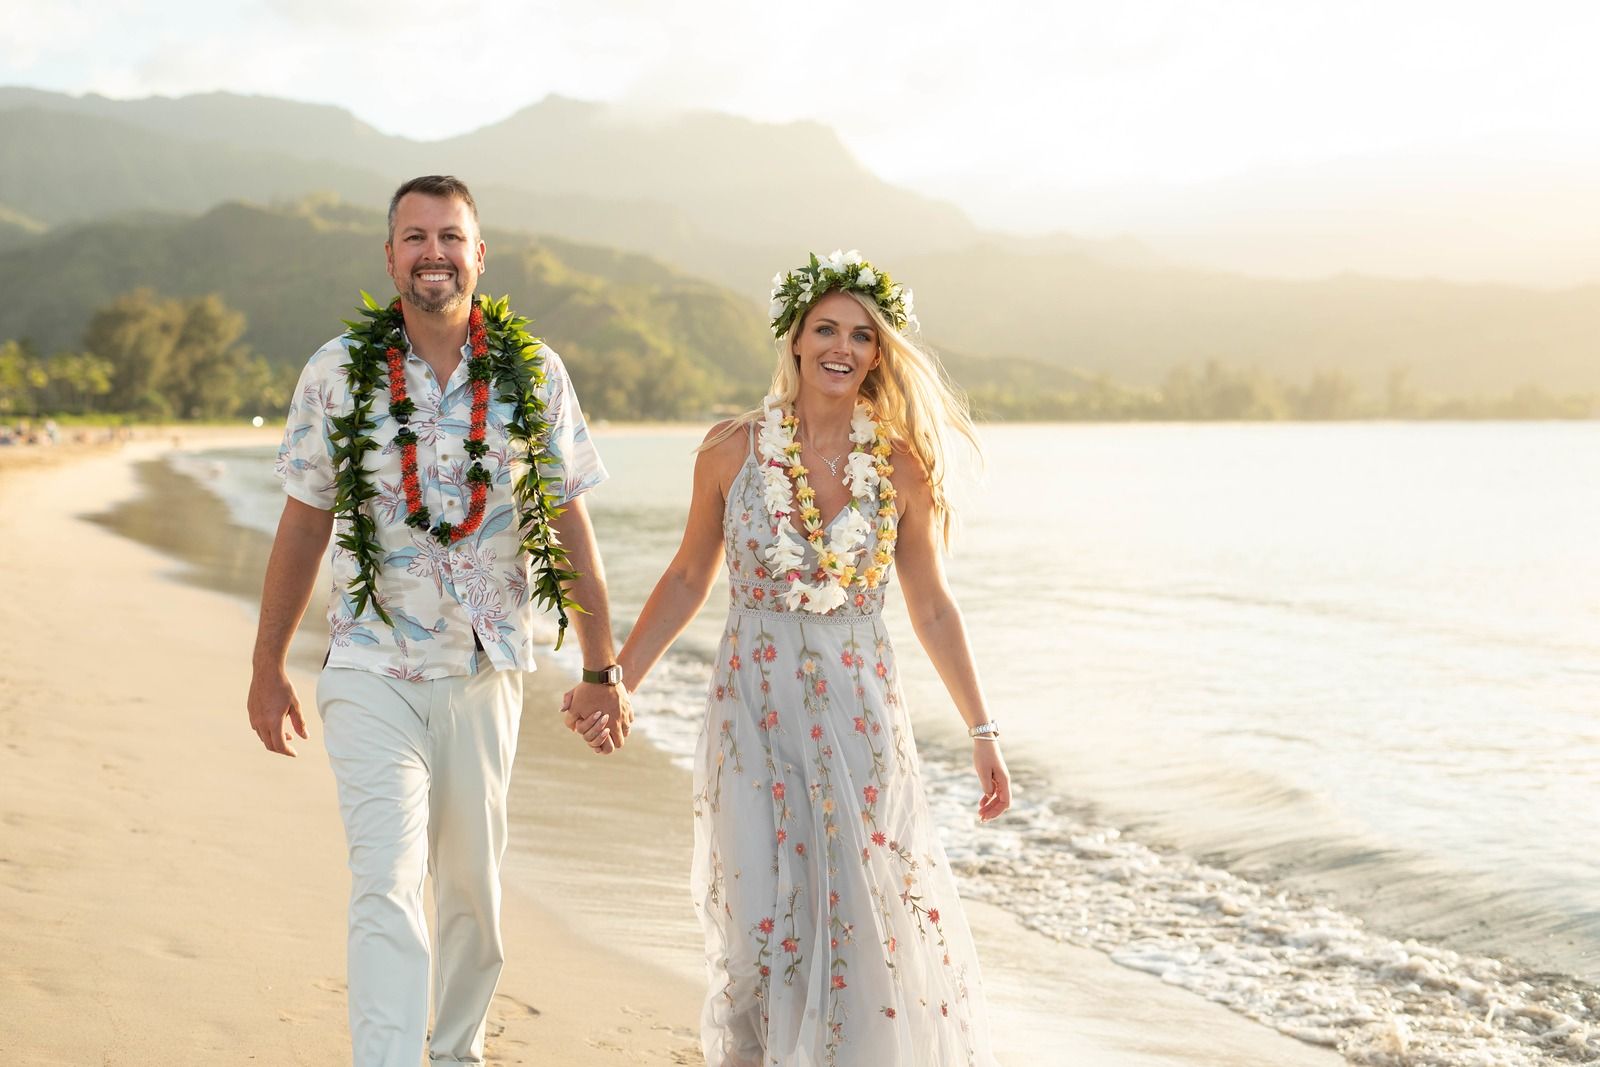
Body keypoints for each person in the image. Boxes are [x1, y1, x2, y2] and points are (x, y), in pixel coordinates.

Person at [567, 251, 1010, 1066]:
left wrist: (982, 729)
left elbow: (934, 606)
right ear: (796, 340)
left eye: (863, 336)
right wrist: (615, 679)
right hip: (754, 714)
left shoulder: (903, 466)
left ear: (880, 354)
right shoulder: (730, 451)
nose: (843, 348)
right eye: (826, 329)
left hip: (862, 720)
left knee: (861, 917)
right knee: (762, 917)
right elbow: (687, 575)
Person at [247, 174, 632, 1066]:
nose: (433, 252)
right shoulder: (335, 371)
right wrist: (266, 665)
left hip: (488, 669)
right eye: (414, 236)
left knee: (473, 893)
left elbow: (568, 518)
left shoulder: (533, 375)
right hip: (371, 665)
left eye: (450, 236)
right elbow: (304, 519)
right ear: (389, 256)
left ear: (479, 254)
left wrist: (602, 666)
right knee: (385, 879)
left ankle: (456, 1051)